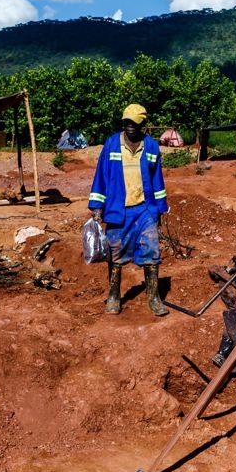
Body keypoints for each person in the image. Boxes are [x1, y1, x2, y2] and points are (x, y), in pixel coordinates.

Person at [88, 103, 170, 316]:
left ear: (143, 124)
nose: (130, 126)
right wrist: (97, 207)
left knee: (152, 251)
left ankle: (153, 297)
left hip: (145, 210)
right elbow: (101, 176)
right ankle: (114, 296)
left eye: (134, 122)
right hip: (118, 210)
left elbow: (157, 180)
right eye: (126, 122)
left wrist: (160, 209)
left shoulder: (151, 147)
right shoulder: (112, 144)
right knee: (115, 254)